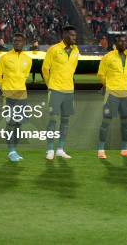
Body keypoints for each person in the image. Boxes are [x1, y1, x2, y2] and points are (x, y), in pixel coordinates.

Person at [42, 25, 79, 160]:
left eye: (75, 35)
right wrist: (50, 85)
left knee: (65, 121)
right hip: (55, 90)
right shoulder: (54, 49)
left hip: (69, 90)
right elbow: (45, 69)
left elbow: (72, 68)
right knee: (52, 120)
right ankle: (50, 149)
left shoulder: (76, 50)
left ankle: (60, 149)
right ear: (64, 35)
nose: (74, 38)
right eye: (72, 35)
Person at [96, 35, 127, 159]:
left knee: (126, 122)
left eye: (125, 41)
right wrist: (109, 86)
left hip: (125, 94)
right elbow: (101, 74)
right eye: (120, 41)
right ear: (116, 43)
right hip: (112, 93)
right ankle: (101, 150)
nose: (123, 43)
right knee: (106, 121)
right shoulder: (108, 57)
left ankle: (124, 149)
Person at [0, 33, 32, 162]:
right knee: (10, 123)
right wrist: (5, 89)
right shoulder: (4, 58)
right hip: (8, 96)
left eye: (20, 41)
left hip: (22, 96)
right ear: (12, 42)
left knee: (18, 124)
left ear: (24, 43)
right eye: (15, 41)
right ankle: (11, 151)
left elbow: (25, 76)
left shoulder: (28, 59)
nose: (17, 43)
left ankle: (14, 150)